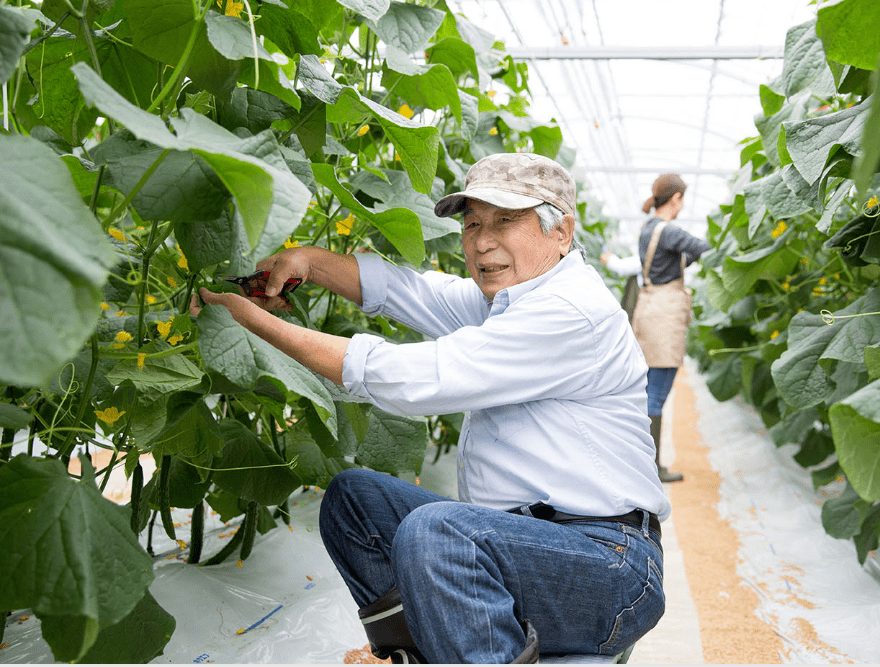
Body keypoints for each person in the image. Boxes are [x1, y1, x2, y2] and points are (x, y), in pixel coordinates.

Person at [191, 153, 670, 663]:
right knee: (356, 502)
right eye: (472, 224)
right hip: (523, 544)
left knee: (437, 530)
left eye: (506, 221)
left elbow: (413, 377)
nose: (483, 242)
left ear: (562, 232)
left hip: (608, 565)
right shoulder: (512, 299)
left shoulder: (571, 312)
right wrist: (308, 262)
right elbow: (413, 292)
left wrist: (254, 323)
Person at [632, 174, 710, 484]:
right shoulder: (669, 230)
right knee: (656, 396)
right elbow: (703, 248)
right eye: (682, 201)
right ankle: (652, 469)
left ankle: (643, 465)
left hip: (648, 311)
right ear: (675, 198)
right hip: (664, 317)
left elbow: (668, 264)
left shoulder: (648, 229)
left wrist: (685, 260)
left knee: (647, 392)